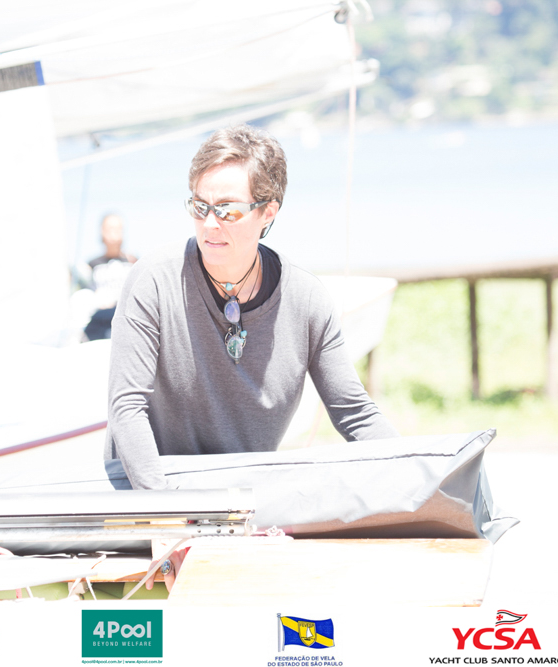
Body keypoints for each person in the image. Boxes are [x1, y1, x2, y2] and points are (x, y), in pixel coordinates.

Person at [105, 124, 398, 492]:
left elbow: (356, 415)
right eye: (200, 206)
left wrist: (417, 478)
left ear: (268, 212)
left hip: (242, 501)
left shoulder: (306, 299)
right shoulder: (152, 281)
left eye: (227, 210)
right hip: (149, 495)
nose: (210, 224)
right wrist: (164, 509)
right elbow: (127, 408)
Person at [83, 214, 136, 341]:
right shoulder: (91, 264)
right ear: (102, 231)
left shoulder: (133, 262)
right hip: (98, 321)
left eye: (118, 229)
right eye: (110, 228)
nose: (114, 233)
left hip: (126, 320)